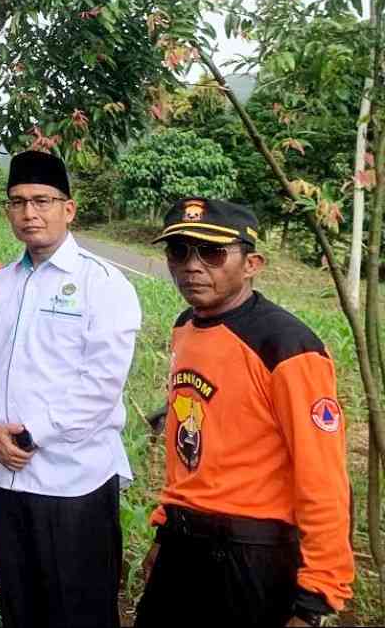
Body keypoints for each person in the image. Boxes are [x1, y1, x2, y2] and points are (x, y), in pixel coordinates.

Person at [135, 199, 353, 627]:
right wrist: (165, 528)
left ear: (252, 263)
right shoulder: (186, 326)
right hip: (183, 544)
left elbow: (323, 476)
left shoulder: (286, 345)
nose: (192, 266)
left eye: (212, 253)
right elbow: (190, 449)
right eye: (179, 251)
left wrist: (318, 595)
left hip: (252, 555)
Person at [0, 150, 140, 628]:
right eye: (18, 202)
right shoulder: (2, 283)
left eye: (42, 201)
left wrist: (29, 434)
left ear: (69, 208)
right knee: (22, 607)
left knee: (78, 611)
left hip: (74, 482)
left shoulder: (102, 284)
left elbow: (100, 384)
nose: (29, 213)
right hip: (7, 477)